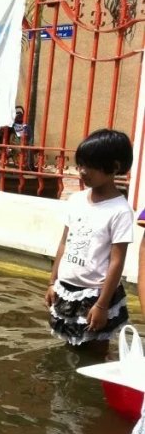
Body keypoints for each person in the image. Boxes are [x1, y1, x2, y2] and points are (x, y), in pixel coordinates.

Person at [45, 128, 133, 350]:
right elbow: (64, 242)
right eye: (80, 164)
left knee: (94, 350)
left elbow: (116, 261)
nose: (82, 171)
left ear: (114, 167)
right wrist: (52, 282)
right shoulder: (76, 200)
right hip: (66, 288)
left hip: (95, 294)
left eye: (90, 165)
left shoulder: (119, 211)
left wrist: (102, 305)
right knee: (69, 344)